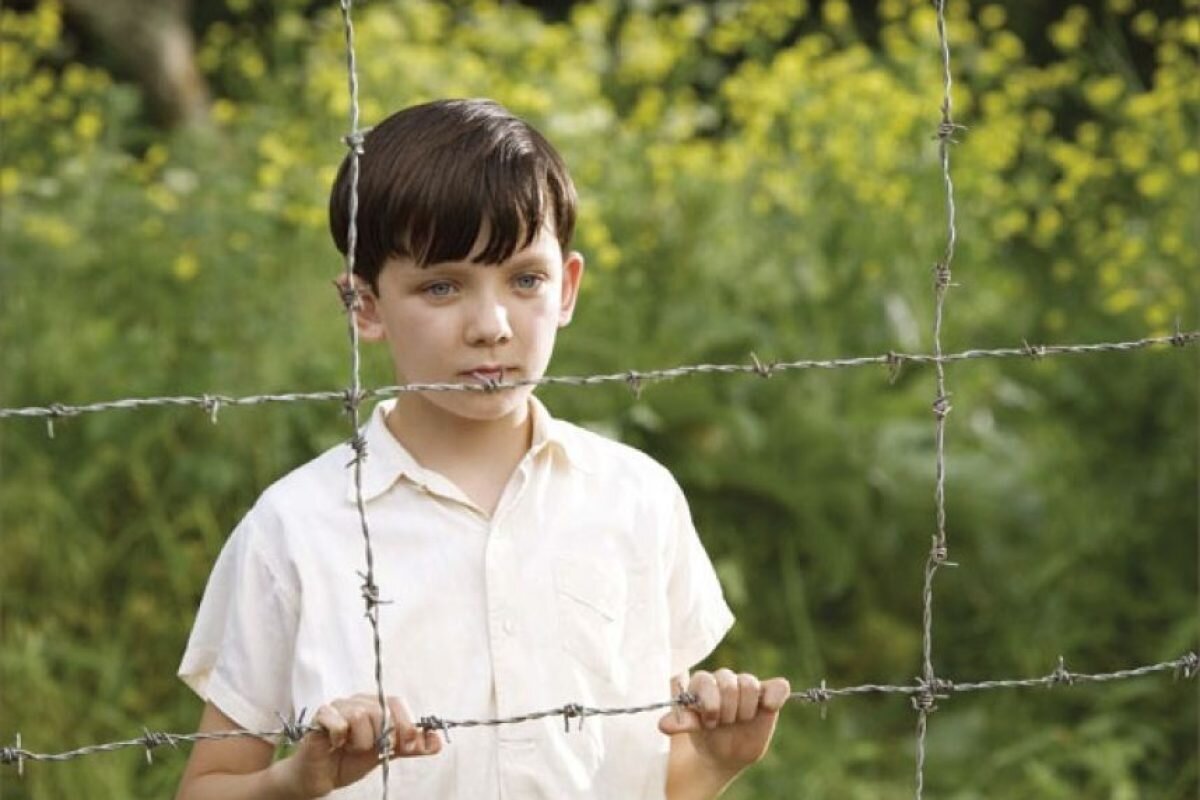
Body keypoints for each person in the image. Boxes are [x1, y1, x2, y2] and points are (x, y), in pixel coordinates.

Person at [175, 98, 790, 800]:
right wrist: (296, 781)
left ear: (569, 287)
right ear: (365, 306)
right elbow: (208, 786)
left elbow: (646, 770)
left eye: (525, 279)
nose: (491, 325)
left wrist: (713, 762)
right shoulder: (295, 527)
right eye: (442, 286)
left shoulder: (636, 497)